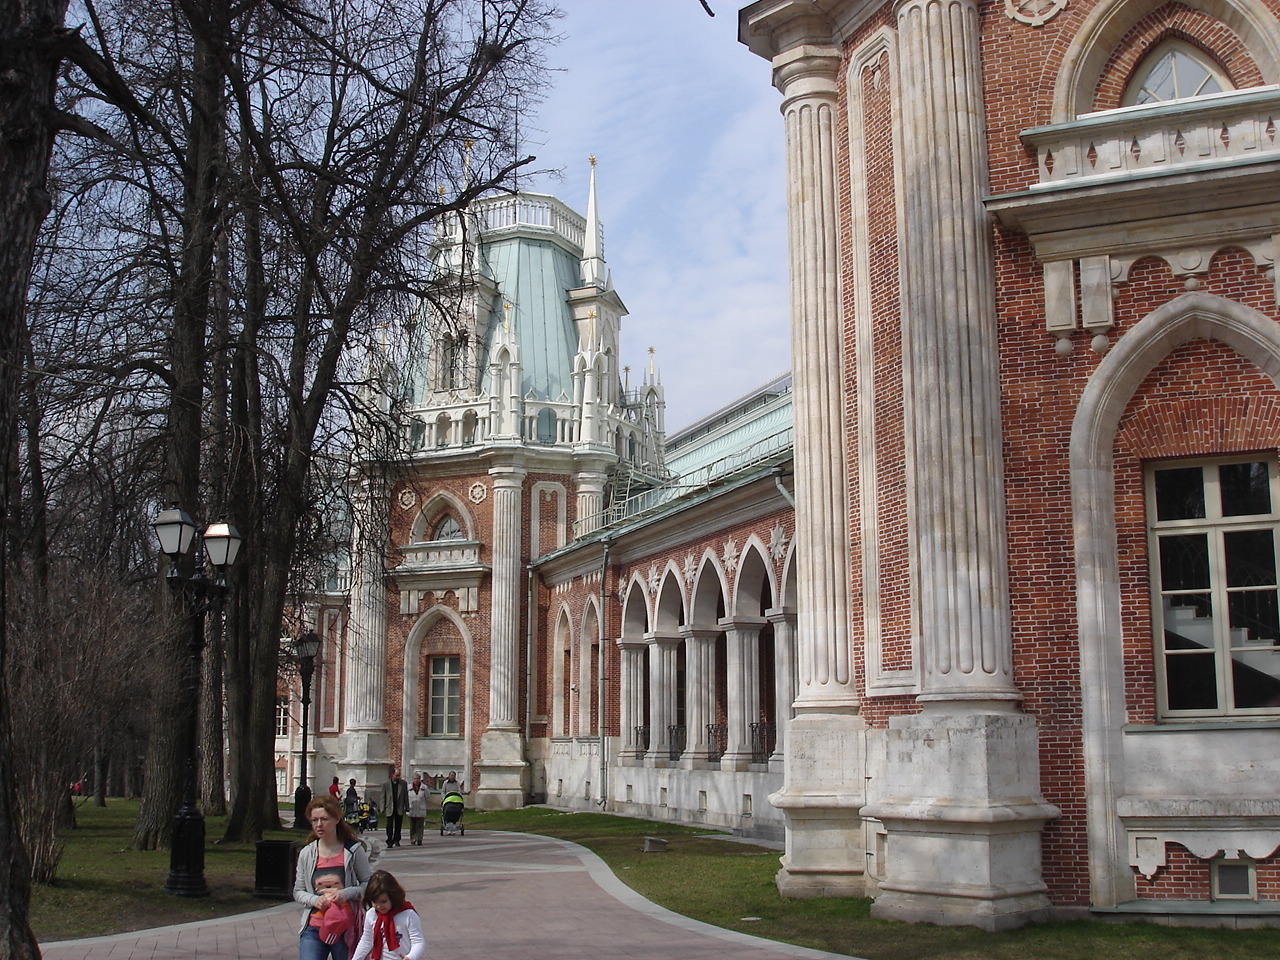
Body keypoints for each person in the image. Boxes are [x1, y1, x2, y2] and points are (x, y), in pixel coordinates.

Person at [294, 795, 372, 960]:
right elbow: (298, 891)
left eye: (324, 819)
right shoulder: (307, 853)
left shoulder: (353, 851)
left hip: (344, 926)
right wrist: (315, 900)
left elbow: (368, 884)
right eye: (314, 820)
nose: (319, 825)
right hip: (314, 926)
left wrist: (346, 893)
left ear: (337, 819)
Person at [351, 870, 425, 960]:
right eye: (374, 902)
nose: (378, 906)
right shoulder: (372, 914)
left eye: (383, 901)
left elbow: (418, 941)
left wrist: (410, 957)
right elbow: (366, 941)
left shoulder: (408, 915)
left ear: (393, 897)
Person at [381, 767, 409, 848]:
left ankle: (397, 839)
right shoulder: (386, 784)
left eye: (399, 776)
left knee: (398, 825)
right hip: (390, 807)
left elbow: (405, 796)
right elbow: (383, 796)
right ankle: (389, 840)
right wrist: (382, 808)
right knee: (389, 825)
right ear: (392, 775)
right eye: (396, 775)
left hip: (399, 807)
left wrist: (407, 806)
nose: (398, 777)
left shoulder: (403, 784)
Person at [406, 773, 428, 846]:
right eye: (415, 779)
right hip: (412, 809)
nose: (416, 780)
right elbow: (406, 797)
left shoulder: (424, 788)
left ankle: (419, 839)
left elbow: (428, 797)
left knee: (420, 825)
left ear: (420, 779)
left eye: (418, 778)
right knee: (412, 826)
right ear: (413, 779)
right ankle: (413, 839)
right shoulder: (408, 787)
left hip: (421, 809)